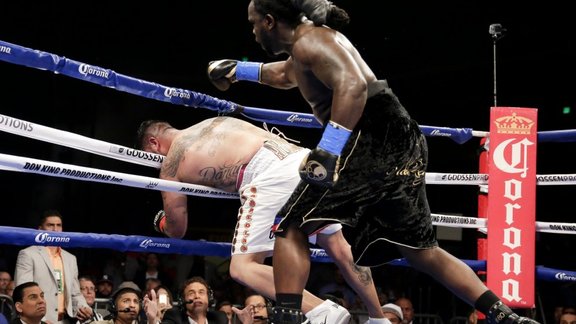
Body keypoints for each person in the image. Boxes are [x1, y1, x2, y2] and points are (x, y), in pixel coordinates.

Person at [205, 0, 542, 323]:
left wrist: (328, 150)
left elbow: (352, 87)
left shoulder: (311, 41)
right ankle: (504, 315)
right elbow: (286, 76)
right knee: (420, 251)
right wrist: (238, 70)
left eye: (253, 24)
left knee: (291, 227)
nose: (252, 32)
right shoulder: (310, 44)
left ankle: (289, 318)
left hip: (370, 139)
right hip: (400, 139)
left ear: (269, 22)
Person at [137, 117, 385, 323]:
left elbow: (177, 227)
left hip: (269, 176)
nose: (154, 161)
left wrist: (160, 221)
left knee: (243, 267)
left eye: (149, 155)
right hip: (304, 159)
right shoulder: (215, 121)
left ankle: (322, 310)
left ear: (153, 142)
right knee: (337, 245)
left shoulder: (171, 162)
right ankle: (378, 317)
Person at [14, 210, 93, 324]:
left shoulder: (70, 258)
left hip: (66, 320)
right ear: (40, 229)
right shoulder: (28, 254)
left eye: (58, 225)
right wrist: (43, 321)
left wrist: (84, 308)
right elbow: (23, 293)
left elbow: (75, 293)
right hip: (39, 321)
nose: (55, 230)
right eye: (50, 225)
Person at [143, 276, 228, 324]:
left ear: (209, 298)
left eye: (201, 292)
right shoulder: (174, 317)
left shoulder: (219, 319)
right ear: (182, 300)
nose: (197, 296)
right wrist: (152, 320)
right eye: (191, 293)